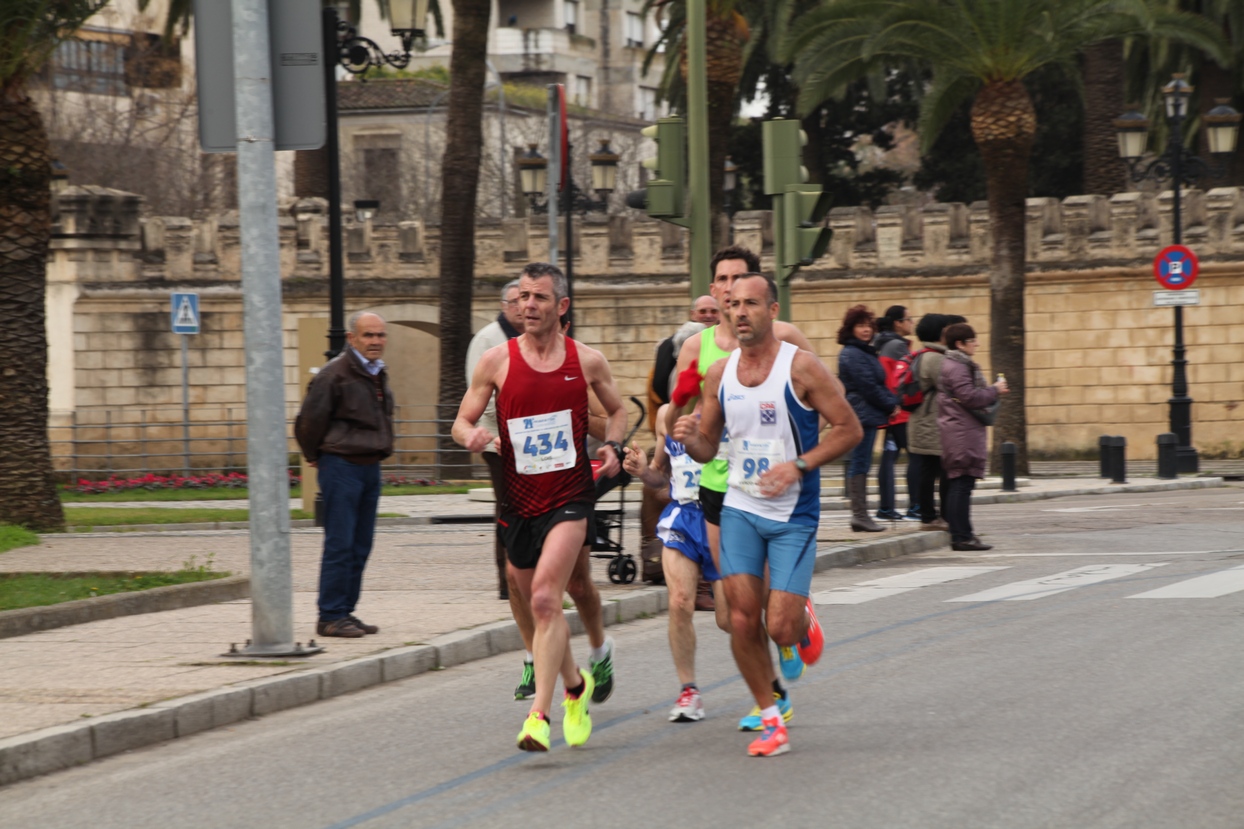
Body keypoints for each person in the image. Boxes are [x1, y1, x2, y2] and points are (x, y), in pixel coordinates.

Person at [673, 272, 862, 757]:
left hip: (793, 513)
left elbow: (848, 429)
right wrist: (690, 436)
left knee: (779, 626)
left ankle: (801, 620)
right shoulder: (720, 374)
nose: (739, 312)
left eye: (751, 304)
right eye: (732, 304)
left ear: (772, 311)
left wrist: (798, 466)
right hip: (739, 505)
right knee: (739, 619)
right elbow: (708, 447)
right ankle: (772, 718)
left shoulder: (802, 369)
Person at [453, 262, 627, 753]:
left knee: (549, 597)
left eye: (540, 298)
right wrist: (473, 436)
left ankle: (539, 716)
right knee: (530, 595)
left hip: (570, 494)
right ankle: (575, 685)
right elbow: (460, 422)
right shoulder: (496, 360)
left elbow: (617, 411)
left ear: (561, 307)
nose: (529, 305)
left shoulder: (586, 360)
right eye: (524, 296)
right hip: (519, 497)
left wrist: (612, 446)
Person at [623, 401, 730, 722]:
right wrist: (643, 470)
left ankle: (786, 627)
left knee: (730, 619)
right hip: (683, 516)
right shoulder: (670, 413)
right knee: (680, 601)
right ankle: (689, 691)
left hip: (725, 516)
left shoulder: (729, 402)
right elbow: (660, 478)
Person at [295, 312, 394, 639]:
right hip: (341, 467)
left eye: (380, 335)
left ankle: (346, 611)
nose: (376, 341)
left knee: (360, 544)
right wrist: (316, 456)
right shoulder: (333, 374)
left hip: (369, 466)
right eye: (368, 335)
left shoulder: (377, 372)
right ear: (352, 338)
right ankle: (330, 615)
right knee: (340, 543)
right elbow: (307, 422)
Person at [465, 279, 523, 601]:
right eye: (514, 301)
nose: (521, 307)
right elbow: (480, 394)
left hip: (528, 441)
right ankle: (506, 581)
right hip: (496, 441)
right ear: (503, 305)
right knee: (506, 506)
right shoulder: (488, 339)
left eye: (524, 299)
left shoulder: (530, 339)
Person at [938, 322, 1008, 552]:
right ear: (960, 344)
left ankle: (964, 533)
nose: (976, 344)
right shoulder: (957, 366)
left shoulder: (954, 364)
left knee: (962, 484)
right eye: (972, 340)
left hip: (960, 430)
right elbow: (969, 397)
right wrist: (995, 390)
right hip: (961, 432)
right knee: (961, 485)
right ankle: (961, 536)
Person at [836, 305, 899, 533]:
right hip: (860, 413)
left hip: (867, 412)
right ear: (850, 329)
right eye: (860, 325)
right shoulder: (852, 353)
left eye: (868, 326)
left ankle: (861, 515)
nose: (866, 330)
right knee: (860, 461)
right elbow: (868, 386)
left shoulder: (864, 351)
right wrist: (891, 403)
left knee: (862, 461)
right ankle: (860, 515)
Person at [908, 314, 962, 530]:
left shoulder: (928, 354)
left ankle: (935, 515)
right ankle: (931, 517)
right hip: (930, 424)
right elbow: (952, 386)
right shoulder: (934, 358)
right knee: (933, 472)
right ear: (940, 333)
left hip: (927, 422)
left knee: (931, 471)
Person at [872, 305, 921, 521]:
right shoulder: (897, 346)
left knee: (889, 458)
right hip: (900, 412)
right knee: (917, 458)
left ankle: (886, 507)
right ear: (898, 323)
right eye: (909, 319)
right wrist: (898, 404)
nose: (912, 323)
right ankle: (916, 506)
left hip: (890, 411)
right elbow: (898, 381)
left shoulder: (884, 343)